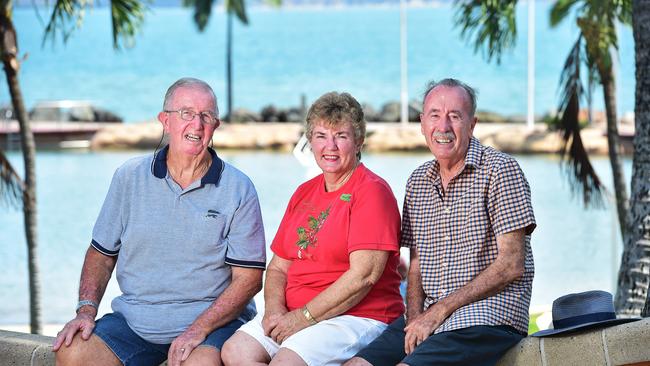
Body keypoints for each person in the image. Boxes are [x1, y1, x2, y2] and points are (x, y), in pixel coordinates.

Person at [52, 77, 266, 366]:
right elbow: (101, 255)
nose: (197, 124)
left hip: (212, 325)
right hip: (134, 322)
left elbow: (249, 280)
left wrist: (197, 330)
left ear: (216, 125)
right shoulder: (129, 177)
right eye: (186, 113)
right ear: (165, 120)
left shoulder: (239, 188)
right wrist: (85, 311)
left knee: (199, 364)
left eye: (206, 116)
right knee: (72, 351)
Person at [345, 78, 536, 366]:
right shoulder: (418, 181)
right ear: (422, 123)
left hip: (486, 318)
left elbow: (511, 264)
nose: (443, 127)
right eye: (434, 115)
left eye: (455, 116)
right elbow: (417, 263)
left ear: (472, 124)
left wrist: (438, 312)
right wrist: (414, 317)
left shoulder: (501, 170)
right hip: (432, 316)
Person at [221, 92, 405, 366]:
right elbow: (278, 268)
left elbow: (363, 277)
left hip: (357, 316)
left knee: (286, 363)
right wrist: (273, 311)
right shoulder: (304, 192)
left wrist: (302, 318)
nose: (329, 146)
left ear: (358, 141)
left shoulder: (371, 192)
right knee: (235, 352)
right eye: (320, 136)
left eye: (341, 136)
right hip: (296, 312)